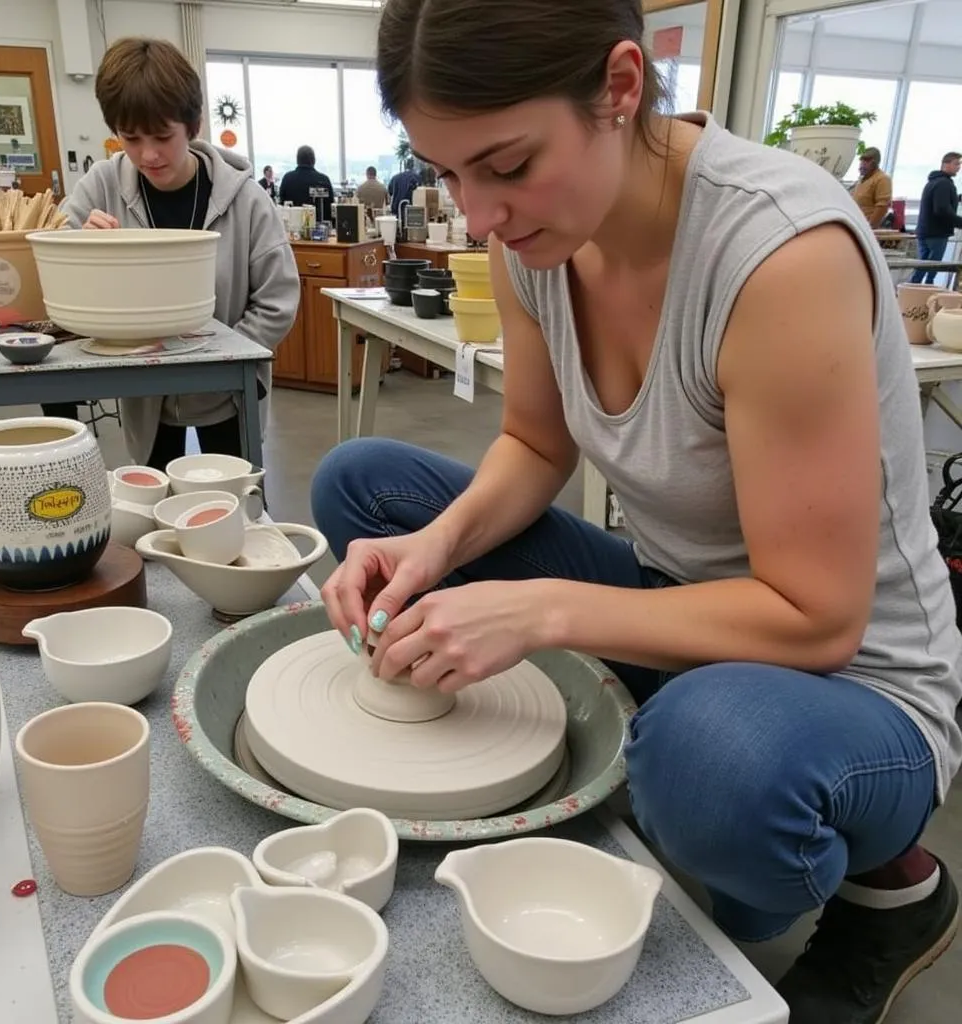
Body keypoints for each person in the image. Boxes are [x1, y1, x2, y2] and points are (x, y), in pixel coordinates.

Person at [311, 3, 961, 1022]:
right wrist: (433, 549)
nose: (476, 216)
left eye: (506, 164)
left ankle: (891, 888)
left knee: (709, 764)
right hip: (680, 606)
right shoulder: (537, 239)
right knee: (362, 490)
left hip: (851, 675)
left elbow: (816, 615)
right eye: (446, 171)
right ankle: (646, 741)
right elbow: (532, 443)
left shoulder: (777, 254)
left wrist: (540, 612)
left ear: (619, 88)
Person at [46, 38, 299, 468]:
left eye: (163, 136)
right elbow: (54, 279)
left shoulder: (247, 200)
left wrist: (223, 357)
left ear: (194, 124)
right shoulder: (100, 188)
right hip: (144, 394)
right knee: (152, 509)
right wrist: (80, 251)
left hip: (229, 393)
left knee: (234, 504)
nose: (148, 154)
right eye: (130, 137)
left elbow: (278, 301)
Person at [911, 152, 962, 284]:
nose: (959, 167)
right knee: (932, 267)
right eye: (956, 163)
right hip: (936, 232)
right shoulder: (944, 184)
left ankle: (911, 290)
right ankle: (925, 293)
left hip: (925, 230)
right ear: (945, 164)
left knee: (923, 265)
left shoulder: (934, 182)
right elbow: (942, 209)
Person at [279, 146, 334, 223]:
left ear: (297, 160)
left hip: (292, 228)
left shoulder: (287, 179)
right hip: (319, 229)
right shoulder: (323, 180)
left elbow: (281, 206)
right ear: (314, 160)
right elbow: (331, 209)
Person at [852, 147, 892, 229]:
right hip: (857, 226)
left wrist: (869, 227)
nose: (862, 165)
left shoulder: (882, 179)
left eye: (866, 161)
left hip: (868, 229)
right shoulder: (863, 179)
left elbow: (882, 206)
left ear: (874, 163)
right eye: (861, 161)